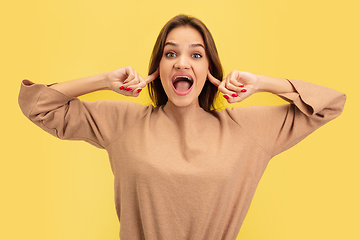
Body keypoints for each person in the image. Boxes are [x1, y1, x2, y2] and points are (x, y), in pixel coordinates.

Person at [18, 14, 346, 240]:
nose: (182, 62)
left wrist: (261, 83)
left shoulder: (245, 129)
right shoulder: (123, 122)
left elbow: (330, 104)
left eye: (196, 54)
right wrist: (103, 80)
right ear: (158, 68)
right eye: (170, 53)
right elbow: (38, 105)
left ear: (210, 70)